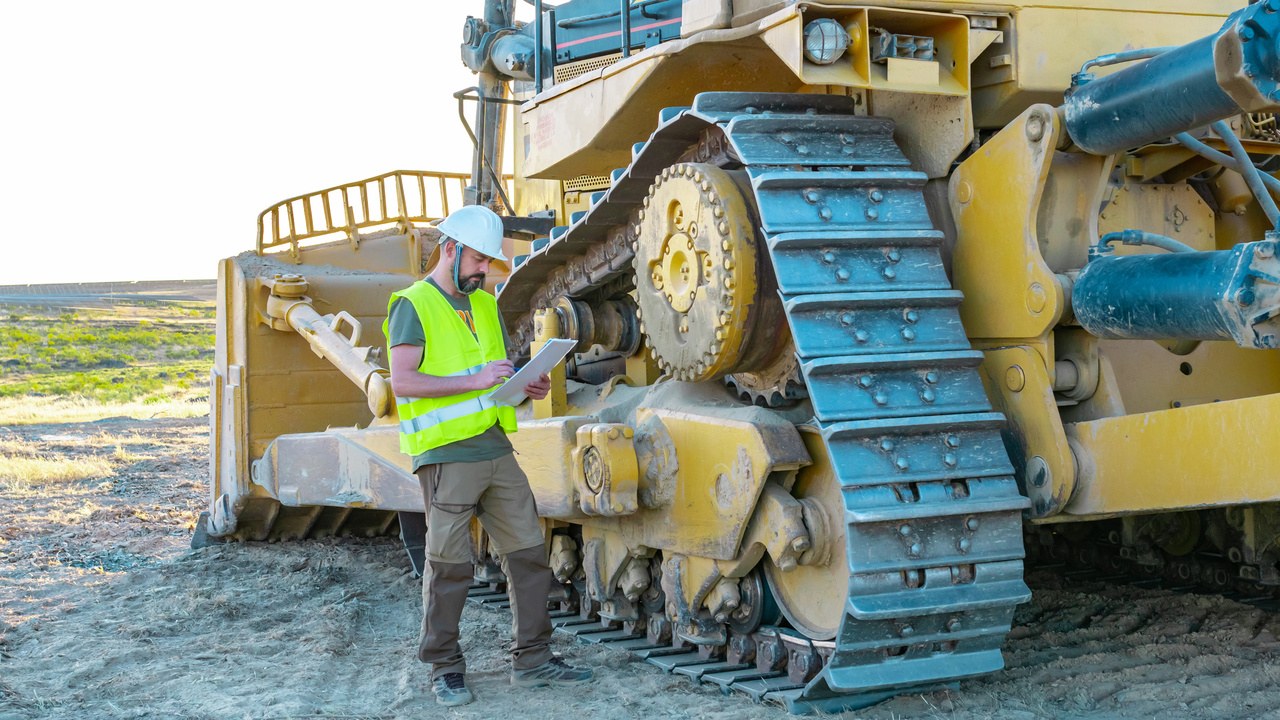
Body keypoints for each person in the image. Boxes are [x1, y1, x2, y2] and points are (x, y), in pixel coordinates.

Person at [384, 205, 593, 706]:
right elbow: (403, 380)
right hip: (446, 456)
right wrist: (473, 381)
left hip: (496, 449)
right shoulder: (413, 304)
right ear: (450, 248)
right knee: (449, 566)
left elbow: (493, 381)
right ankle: (444, 667)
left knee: (529, 558)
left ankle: (534, 659)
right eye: (479, 259)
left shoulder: (483, 305)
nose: (485, 270)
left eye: (488, 261)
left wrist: (526, 386)